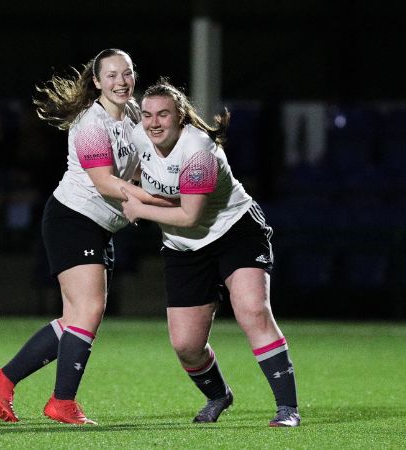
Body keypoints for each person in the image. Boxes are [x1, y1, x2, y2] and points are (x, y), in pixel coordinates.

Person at [0, 49, 176, 425]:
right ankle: (62, 403)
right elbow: (104, 183)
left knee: (77, 316)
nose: (122, 81)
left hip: (98, 225)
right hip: (73, 219)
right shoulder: (90, 124)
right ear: (97, 81)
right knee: (89, 310)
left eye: (128, 73)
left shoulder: (135, 114)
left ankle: (4, 379)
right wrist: (161, 201)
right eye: (113, 75)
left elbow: (143, 167)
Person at [121, 79, 301, 427]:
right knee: (187, 345)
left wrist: (139, 207)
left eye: (163, 115)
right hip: (183, 247)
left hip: (234, 231)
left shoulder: (198, 148)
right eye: (147, 115)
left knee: (252, 311)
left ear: (181, 118)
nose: (154, 122)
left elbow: (190, 215)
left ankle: (287, 409)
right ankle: (219, 395)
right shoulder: (136, 139)